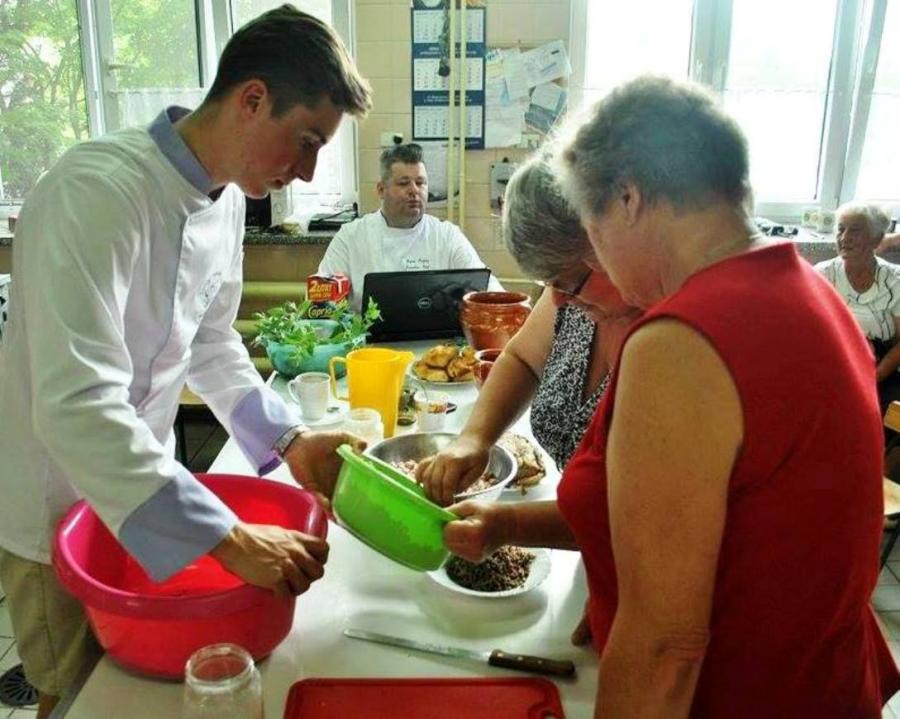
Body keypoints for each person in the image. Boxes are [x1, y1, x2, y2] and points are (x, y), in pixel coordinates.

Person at [446, 77, 900, 717]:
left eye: (594, 230)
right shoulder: (811, 294)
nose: (597, 265)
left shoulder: (682, 340)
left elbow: (664, 645)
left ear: (627, 198)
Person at [0, 7, 371, 716]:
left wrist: (290, 439)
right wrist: (225, 536)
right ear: (252, 99)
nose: (306, 172)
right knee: (79, 697)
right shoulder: (95, 193)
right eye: (305, 142)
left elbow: (210, 342)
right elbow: (77, 406)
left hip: (147, 486)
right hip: (57, 504)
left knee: (147, 691)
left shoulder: (223, 201)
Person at [416, 154, 640, 504]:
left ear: (610, 240)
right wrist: (474, 438)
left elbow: (627, 508)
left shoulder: (670, 333)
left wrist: (507, 525)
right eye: (550, 285)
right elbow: (521, 359)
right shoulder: (572, 295)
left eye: (569, 283)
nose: (559, 300)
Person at [317, 142, 502, 310]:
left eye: (420, 183)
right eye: (404, 183)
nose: (414, 190)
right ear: (381, 190)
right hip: (367, 336)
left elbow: (487, 289)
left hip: (435, 336)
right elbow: (323, 301)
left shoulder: (447, 236)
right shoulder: (351, 237)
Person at [815, 202, 900, 412]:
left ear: (877, 240)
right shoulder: (822, 275)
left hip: (882, 364)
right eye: (841, 229)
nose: (844, 238)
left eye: (855, 231)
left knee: (880, 412)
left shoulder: (895, 281)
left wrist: (874, 376)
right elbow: (809, 332)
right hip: (833, 360)